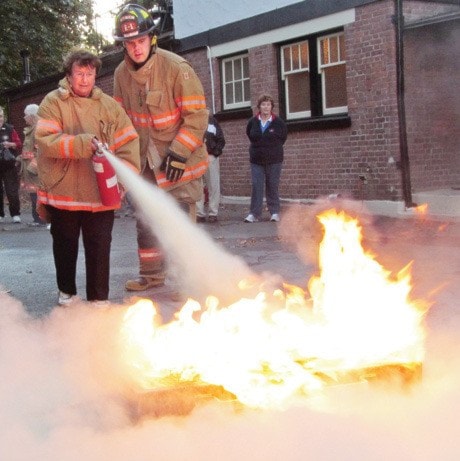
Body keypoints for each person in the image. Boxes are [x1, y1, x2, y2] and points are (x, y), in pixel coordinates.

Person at [112, 4, 208, 292]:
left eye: (141, 41)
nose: (136, 48)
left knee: (179, 225)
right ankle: (152, 276)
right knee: (146, 223)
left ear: (151, 39)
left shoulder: (177, 68)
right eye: (130, 43)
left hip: (179, 164)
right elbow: (120, 121)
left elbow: (197, 117)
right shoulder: (120, 75)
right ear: (124, 46)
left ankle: (183, 281)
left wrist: (179, 152)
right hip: (144, 166)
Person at [35, 49, 140, 306]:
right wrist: (82, 144)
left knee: (99, 247)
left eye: (89, 74)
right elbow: (46, 141)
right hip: (64, 192)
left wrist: (122, 183)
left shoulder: (109, 107)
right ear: (69, 76)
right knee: (65, 246)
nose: (84, 79)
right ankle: (67, 295)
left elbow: (129, 144)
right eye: (79, 74)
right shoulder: (53, 102)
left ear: (96, 75)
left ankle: (98, 301)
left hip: (100, 194)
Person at [244, 94, 287, 223]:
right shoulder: (252, 122)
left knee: (272, 186)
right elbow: (250, 134)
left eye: (268, 104)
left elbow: (283, 138)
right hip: (256, 160)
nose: (266, 107)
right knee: (257, 186)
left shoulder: (278, 123)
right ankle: (254, 214)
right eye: (263, 104)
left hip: (274, 160)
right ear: (259, 107)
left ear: (271, 107)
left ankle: (274, 212)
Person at [18, 104, 46, 226]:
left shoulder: (38, 130)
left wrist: (33, 167)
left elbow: (41, 151)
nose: (24, 118)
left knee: (37, 194)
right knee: (34, 193)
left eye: (26, 115)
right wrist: (20, 157)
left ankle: (40, 219)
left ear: (32, 116)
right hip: (29, 168)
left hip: (34, 169)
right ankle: (37, 219)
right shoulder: (32, 129)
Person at [196, 114, 226, 223]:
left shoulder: (212, 121)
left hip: (210, 156)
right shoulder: (192, 119)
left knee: (213, 185)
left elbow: (221, 139)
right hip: (196, 157)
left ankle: (213, 213)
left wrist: (215, 153)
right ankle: (199, 213)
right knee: (197, 186)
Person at [0, 106, 23, 223]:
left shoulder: (10, 129)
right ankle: (1, 214)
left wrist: (9, 144)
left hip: (9, 165)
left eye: (1, 116)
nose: (0, 118)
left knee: (11, 190)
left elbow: (18, 144)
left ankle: (15, 214)